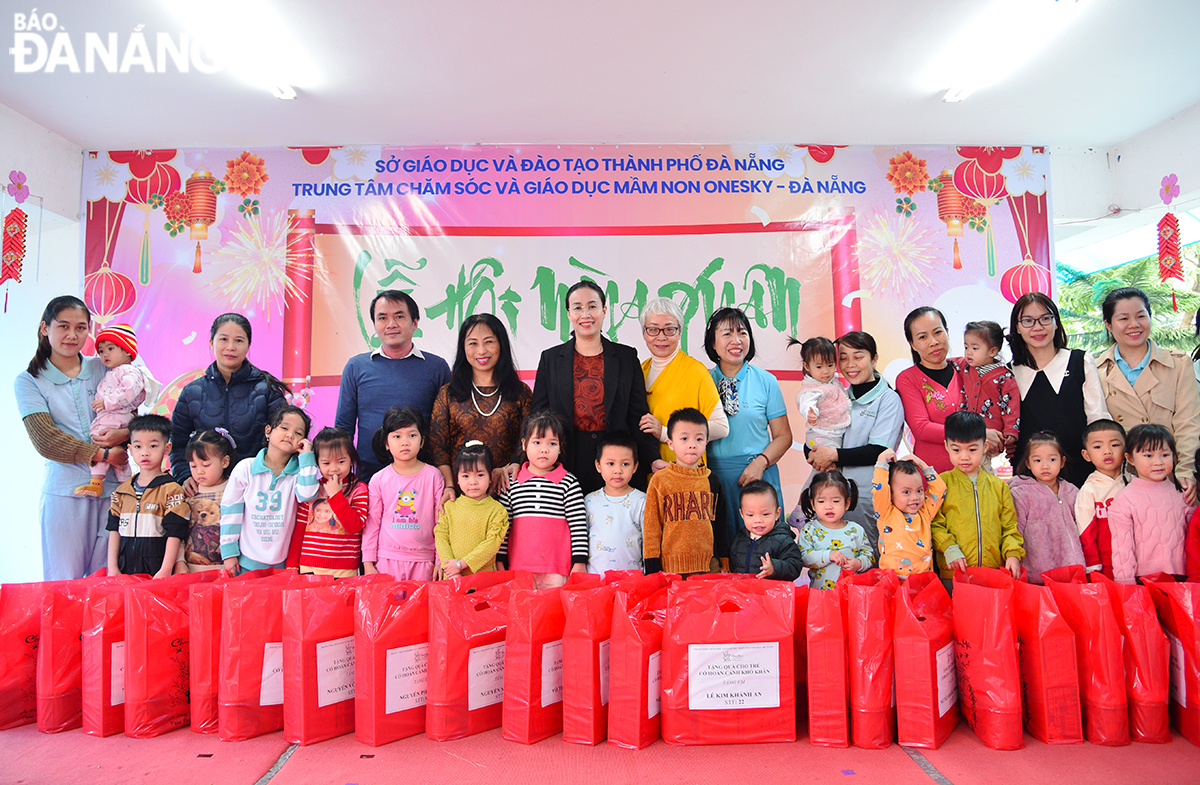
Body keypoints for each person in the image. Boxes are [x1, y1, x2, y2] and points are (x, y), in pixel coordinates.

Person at [16, 296, 128, 579]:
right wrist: (103, 455)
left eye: (80, 328)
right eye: (63, 326)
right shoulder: (30, 380)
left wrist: (125, 434)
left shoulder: (106, 368)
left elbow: (141, 419)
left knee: (107, 580)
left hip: (114, 492)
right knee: (64, 582)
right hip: (65, 494)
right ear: (45, 328)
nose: (72, 335)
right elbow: (46, 440)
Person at [528, 281, 659, 494]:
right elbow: (538, 416)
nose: (585, 314)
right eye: (577, 307)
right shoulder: (551, 359)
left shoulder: (626, 357)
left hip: (616, 461)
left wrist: (653, 459)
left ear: (604, 310)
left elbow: (638, 415)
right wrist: (520, 459)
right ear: (569, 313)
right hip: (567, 458)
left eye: (592, 306)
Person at [801, 331, 906, 554]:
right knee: (829, 563)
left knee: (866, 559)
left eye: (858, 357)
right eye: (844, 358)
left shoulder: (888, 400)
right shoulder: (838, 395)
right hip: (831, 496)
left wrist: (832, 455)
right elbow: (819, 433)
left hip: (866, 496)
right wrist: (811, 451)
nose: (850, 365)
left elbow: (879, 450)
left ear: (874, 358)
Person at [1095, 287, 1200, 504]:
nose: (1134, 324)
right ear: (1108, 324)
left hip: (1170, 479)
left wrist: (1186, 470)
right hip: (1121, 483)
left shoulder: (1178, 364)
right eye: (1123, 318)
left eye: (1141, 316)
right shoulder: (1094, 369)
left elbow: (1188, 424)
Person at [336, 290, 451, 481]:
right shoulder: (356, 367)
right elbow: (343, 427)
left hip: (424, 480)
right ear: (374, 324)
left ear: (415, 322)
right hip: (368, 478)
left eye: (399, 316)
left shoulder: (436, 367)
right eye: (382, 318)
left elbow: (446, 429)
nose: (391, 325)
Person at [170, 313, 288, 495]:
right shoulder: (192, 392)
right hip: (205, 494)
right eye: (223, 339)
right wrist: (184, 475)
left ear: (248, 345)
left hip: (256, 491)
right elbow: (178, 443)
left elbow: (283, 441)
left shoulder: (267, 391)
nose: (230, 347)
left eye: (239, 341)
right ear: (211, 342)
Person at [704, 307, 792, 550]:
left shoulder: (766, 381)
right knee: (722, 552)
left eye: (742, 333)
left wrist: (760, 462)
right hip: (715, 478)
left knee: (766, 553)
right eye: (726, 334)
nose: (736, 340)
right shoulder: (701, 380)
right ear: (712, 342)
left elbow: (784, 436)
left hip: (759, 475)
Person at [1008, 292, 1109, 488]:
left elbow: (1098, 422)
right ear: (1018, 328)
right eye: (1028, 321)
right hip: (1028, 481)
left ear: (1056, 322)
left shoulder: (1081, 361)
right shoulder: (1009, 373)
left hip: (1082, 475)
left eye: (1045, 318)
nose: (1038, 327)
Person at [429, 313, 531, 504]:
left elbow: (528, 439)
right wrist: (450, 486)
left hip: (510, 491)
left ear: (501, 345)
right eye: (473, 343)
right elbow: (438, 448)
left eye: (489, 342)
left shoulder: (521, 392)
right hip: (462, 496)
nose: (481, 350)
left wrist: (510, 466)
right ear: (463, 348)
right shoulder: (448, 394)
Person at [219, 405, 319, 573]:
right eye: (284, 427)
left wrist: (307, 456)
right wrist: (229, 553)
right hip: (245, 563)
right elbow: (231, 512)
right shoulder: (246, 468)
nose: (290, 435)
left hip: (281, 565)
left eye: (298, 433)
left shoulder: (300, 474)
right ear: (268, 431)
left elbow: (308, 495)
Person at [498, 411, 589, 588]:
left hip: (557, 569)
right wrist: (500, 560)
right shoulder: (511, 482)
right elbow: (502, 527)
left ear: (560, 447)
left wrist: (579, 562)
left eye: (552, 443)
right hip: (519, 567)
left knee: (554, 614)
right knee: (522, 613)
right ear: (524, 444)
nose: (544, 449)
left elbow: (578, 526)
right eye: (537, 442)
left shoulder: (568, 482)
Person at [931, 411, 1024, 579]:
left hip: (993, 573)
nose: (964, 457)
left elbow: (1009, 527)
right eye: (956, 449)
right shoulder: (941, 484)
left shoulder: (999, 487)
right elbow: (935, 524)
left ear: (985, 446)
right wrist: (949, 548)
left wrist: (1012, 554)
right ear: (946, 446)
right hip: (954, 573)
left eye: (972, 449)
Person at [639, 297, 729, 470]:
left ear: (680, 332)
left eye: (669, 330)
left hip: (685, 474)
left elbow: (721, 427)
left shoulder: (695, 371)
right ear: (644, 333)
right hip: (646, 474)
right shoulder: (640, 370)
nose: (661, 337)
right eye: (653, 329)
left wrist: (665, 433)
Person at [363, 407, 445, 581]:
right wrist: (368, 562)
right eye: (397, 436)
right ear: (386, 443)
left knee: (421, 608)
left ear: (422, 441)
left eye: (412, 435)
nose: (405, 442)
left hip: (424, 561)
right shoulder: (379, 479)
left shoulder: (434, 476)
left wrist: (440, 560)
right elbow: (372, 523)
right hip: (386, 560)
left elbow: (441, 522)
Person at [642, 408, 727, 576]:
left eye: (699, 439)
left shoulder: (713, 481)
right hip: (671, 570)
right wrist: (651, 566)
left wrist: (724, 561)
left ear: (706, 443)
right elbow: (651, 527)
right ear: (671, 443)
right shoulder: (660, 480)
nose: (692, 444)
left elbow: (721, 526)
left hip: (709, 568)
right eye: (684, 438)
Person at [1108, 424, 1195, 584]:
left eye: (1165, 454)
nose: (1158, 462)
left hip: (1181, 580)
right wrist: (1126, 585)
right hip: (1142, 581)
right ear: (1130, 458)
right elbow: (1122, 548)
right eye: (1148, 455)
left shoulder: (1182, 494)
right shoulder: (1125, 499)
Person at [106, 414, 189, 578]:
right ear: (129, 449)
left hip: (157, 573)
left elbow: (175, 534)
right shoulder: (121, 492)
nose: (144, 453)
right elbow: (114, 531)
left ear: (167, 448)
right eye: (138, 447)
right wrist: (112, 568)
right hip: (125, 572)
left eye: (152, 446)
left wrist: (165, 570)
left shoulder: (172, 490)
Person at [75, 324, 151, 497]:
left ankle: (104, 483)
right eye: (101, 351)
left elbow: (129, 392)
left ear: (127, 351)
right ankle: (124, 486)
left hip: (116, 416)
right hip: (112, 416)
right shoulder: (115, 371)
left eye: (110, 348)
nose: (105, 354)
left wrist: (107, 403)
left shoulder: (129, 371)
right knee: (116, 454)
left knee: (100, 443)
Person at [286, 427, 369, 577]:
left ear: (351, 460)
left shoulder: (359, 489)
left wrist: (336, 494)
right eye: (326, 463)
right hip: (309, 568)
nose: (334, 469)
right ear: (317, 463)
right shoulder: (312, 489)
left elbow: (355, 526)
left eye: (341, 461)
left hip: (344, 570)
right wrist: (292, 565)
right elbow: (299, 529)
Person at [1008, 432, 1084, 584]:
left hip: (1071, 573)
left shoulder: (1072, 492)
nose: (1045, 466)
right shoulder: (1021, 494)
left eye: (1052, 459)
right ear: (1028, 463)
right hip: (1036, 576)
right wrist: (1013, 556)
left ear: (1062, 462)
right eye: (1037, 460)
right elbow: (1015, 530)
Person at [896, 307, 961, 473]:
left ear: (947, 332)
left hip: (974, 472)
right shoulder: (908, 379)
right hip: (933, 474)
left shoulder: (965, 367)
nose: (933, 342)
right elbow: (921, 428)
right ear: (912, 344)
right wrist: (975, 433)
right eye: (923, 337)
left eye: (938, 332)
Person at [435, 441, 510, 577]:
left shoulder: (497, 510)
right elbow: (441, 537)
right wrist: (450, 569)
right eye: (466, 476)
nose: (473, 482)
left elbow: (492, 544)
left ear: (491, 476)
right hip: (452, 578)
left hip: (483, 580)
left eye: (480, 475)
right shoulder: (449, 507)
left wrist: (462, 564)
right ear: (456, 478)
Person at [952, 320, 1019, 463]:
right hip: (968, 432)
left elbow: (1011, 406)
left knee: (981, 466)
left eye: (975, 348)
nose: (968, 352)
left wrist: (1011, 431)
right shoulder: (966, 367)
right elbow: (948, 362)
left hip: (991, 434)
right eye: (966, 347)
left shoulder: (1004, 376)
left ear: (993, 351)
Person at [872, 450, 947, 577]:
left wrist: (921, 464)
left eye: (919, 490)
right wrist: (881, 461)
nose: (915, 497)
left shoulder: (925, 513)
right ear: (891, 494)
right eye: (906, 492)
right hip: (893, 582)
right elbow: (880, 490)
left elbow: (939, 488)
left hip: (922, 582)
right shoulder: (886, 513)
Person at [585, 432, 647, 575]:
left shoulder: (642, 501)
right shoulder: (589, 501)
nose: (618, 471)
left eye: (625, 464)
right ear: (598, 465)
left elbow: (649, 542)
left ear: (635, 466)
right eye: (610, 464)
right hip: (596, 579)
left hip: (632, 579)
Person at [175, 429, 236, 573]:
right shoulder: (188, 493)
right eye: (193, 466)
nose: (199, 472)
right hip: (191, 569)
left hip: (228, 569)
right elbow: (178, 531)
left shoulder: (235, 490)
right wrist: (179, 561)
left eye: (206, 465)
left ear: (225, 461)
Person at [797, 471, 870, 588]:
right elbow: (803, 557)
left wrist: (860, 563)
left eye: (836, 501)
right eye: (821, 501)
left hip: (850, 595)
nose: (828, 506)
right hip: (821, 596)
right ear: (813, 504)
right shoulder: (809, 530)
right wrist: (828, 555)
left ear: (847, 503)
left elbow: (869, 555)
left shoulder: (856, 530)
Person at [1074, 419, 1126, 579]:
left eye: (1115, 445)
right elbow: (1085, 533)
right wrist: (1093, 568)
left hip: (1137, 562)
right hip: (1106, 565)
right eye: (1098, 447)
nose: (1107, 451)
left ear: (1127, 450)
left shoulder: (1134, 483)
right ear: (1086, 455)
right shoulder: (1089, 490)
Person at [730, 481, 803, 582]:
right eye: (750, 515)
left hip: (770, 595)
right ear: (742, 514)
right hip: (744, 593)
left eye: (765, 514)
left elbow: (795, 566)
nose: (758, 520)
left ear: (777, 513)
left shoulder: (783, 540)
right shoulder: (738, 540)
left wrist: (774, 568)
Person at [794, 337, 851, 449]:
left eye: (830, 365)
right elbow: (807, 403)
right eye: (819, 367)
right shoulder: (812, 389)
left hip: (835, 434)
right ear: (807, 366)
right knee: (828, 462)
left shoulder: (832, 383)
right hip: (822, 436)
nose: (826, 371)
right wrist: (811, 413)